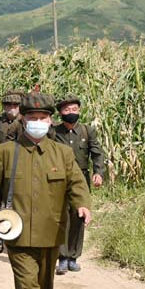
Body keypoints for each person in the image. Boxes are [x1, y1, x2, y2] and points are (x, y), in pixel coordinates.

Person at [0, 93, 92, 289]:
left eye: (42, 118)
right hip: (17, 234)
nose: (38, 122)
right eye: (32, 118)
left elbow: (76, 184)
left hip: (51, 233)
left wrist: (82, 205)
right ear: (23, 120)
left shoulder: (63, 153)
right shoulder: (6, 152)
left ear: (50, 120)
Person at [53, 95, 105, 275]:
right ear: (60, 113)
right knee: (61, 217)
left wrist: (98, 172)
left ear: (79, 110)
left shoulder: (87, 131)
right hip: (59, 179)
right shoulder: (53, 132)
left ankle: (73, 257)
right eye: (67, 110)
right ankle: (62, 257)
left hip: (81, 179)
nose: (71, 113)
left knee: (79, 216)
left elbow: (97, 153)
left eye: (74, 109)